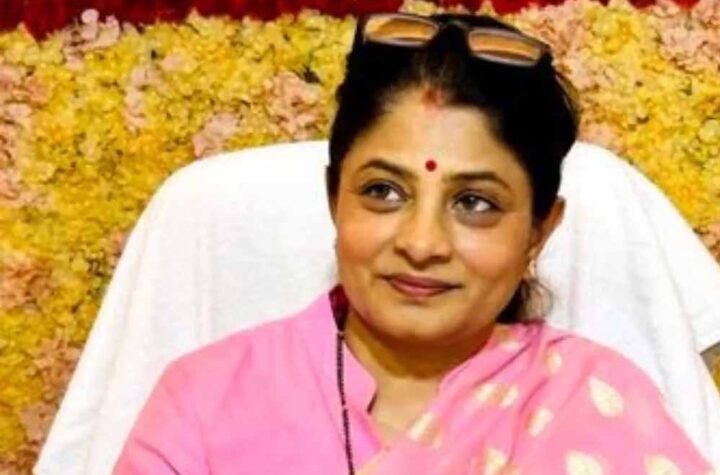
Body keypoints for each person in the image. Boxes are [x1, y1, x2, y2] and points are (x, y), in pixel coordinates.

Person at [113, 12, 714, 474]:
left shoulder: (596, 404)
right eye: (383, 192)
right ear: (334, 199)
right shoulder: (207, 402)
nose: (422, 243)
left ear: (539, 228)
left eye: (474, 202)